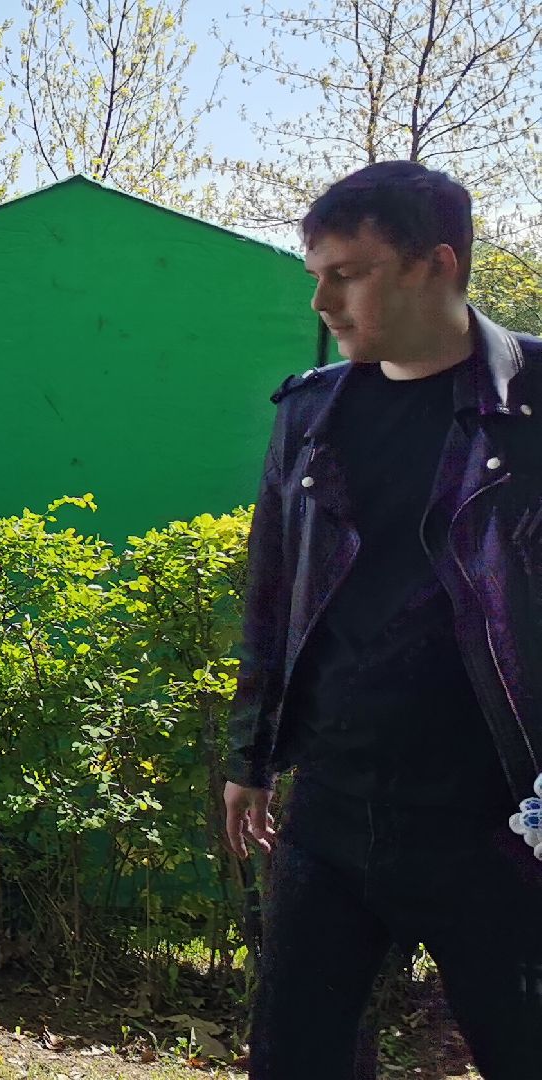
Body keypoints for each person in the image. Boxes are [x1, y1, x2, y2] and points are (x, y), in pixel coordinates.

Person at [223, 161, 542, 1077]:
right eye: (314, 272)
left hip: (499, 821)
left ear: (434, 265)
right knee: (295, 1058)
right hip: (331, 810)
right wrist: (250, 757)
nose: (320, 298)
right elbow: (273, 589)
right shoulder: (311, 414)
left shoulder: (531, 408)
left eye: (347, 271)